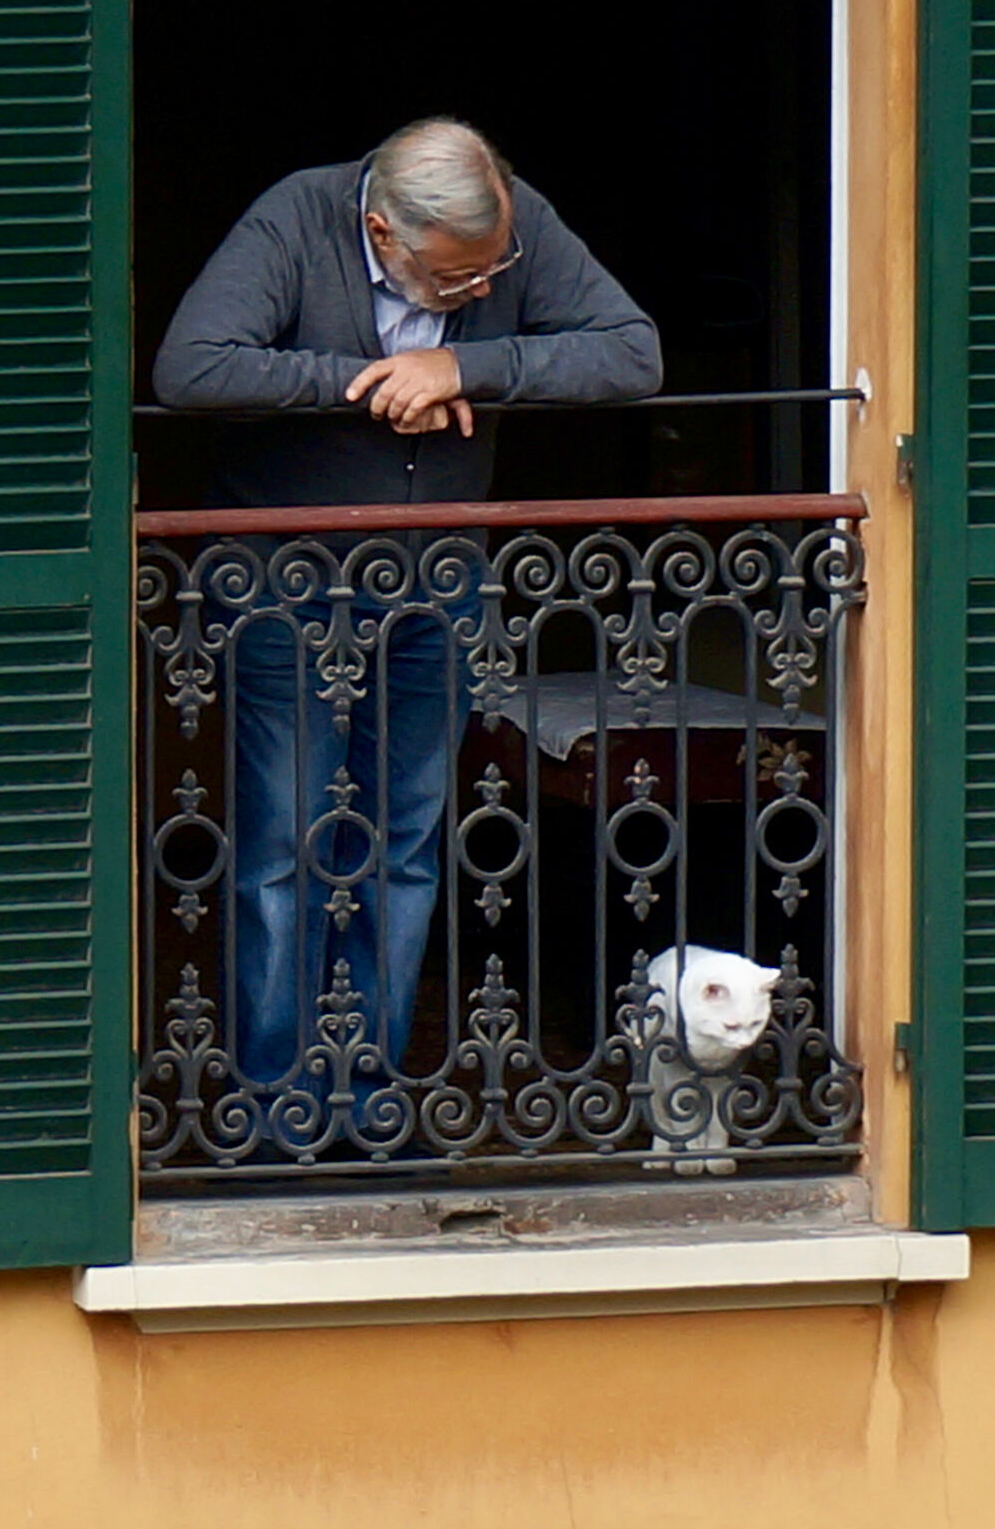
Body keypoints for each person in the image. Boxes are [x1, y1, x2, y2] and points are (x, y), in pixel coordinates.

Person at [153, 117, 661, 1124]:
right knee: (283, 846)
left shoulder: (514, 227)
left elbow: (633, 352)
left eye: (493, 269)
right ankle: (273, 1107)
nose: (481, 288)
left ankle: (369, 1096)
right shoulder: (298, 217)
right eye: (454, 278)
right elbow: (193, 367)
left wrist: (467, 369)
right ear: (381, 231)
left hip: (437, 580)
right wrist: (372, 386)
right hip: (283, 582)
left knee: (409, 844)